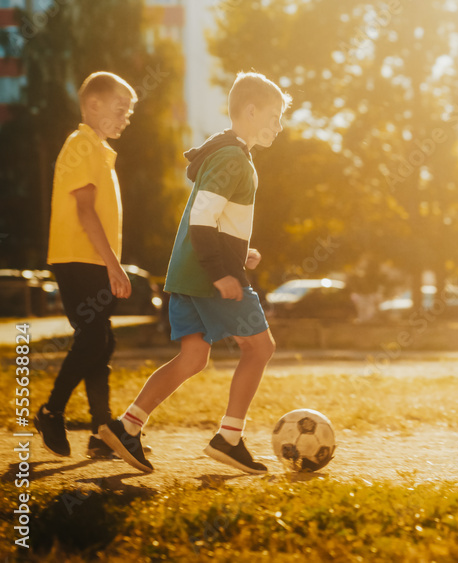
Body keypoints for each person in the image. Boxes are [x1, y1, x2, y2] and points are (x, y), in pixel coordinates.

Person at [99, 72, 291, 474]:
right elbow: (202, 220)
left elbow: (213, 221)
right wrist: (224, 273)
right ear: (251, 111)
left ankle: (127, 426)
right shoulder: (232, 158)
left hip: (189, 273)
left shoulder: (229, 154)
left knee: (192, 358)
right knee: (260, 347)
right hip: (208, 277)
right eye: (274, 116)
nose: (279, 126)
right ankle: (229, 438)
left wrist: (241, 252)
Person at [34, 72, 137, 459]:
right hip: (78, 258)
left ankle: (101, 429)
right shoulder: (81, 144)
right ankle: (51, 411)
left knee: (101, 341)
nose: (126, 116)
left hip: (90, 259)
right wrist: (114, 264)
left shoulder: (99, 150)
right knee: (93, 338)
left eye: (129, 111)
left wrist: (108, 263)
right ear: (93, 105)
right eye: (120, 108)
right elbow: (83, 209)